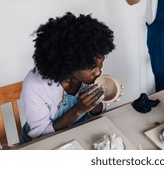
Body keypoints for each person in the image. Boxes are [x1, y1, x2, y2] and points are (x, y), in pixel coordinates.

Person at [20, 12, 115, 144]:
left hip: (78, 136)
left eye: (101, 62)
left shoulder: (88, 72)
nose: (99, 72)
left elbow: (97, 114)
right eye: (92, 67)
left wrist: (98, 97)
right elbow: (40, 136)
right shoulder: (34, 86)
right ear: (69, 63)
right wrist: (78, 110)